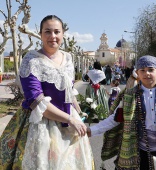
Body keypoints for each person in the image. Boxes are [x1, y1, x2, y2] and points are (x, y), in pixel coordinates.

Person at [0, 15, 95, 170]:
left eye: (57, 32)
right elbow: (36, 101)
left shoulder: (68, 58)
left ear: (63, 34)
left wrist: (79, 113)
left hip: (69, 121)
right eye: (48, 32)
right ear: (41, 34)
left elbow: (68, 91)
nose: (53, 36)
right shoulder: (31, 60)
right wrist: (71, 119)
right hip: (39, 124)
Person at [87, 55, 156, 170]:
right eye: (143, 70)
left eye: (151, 70)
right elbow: (114, 119)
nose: (147, 73)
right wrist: (91, 131)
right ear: (137, 73)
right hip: (137, 153)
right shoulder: (129, 96)